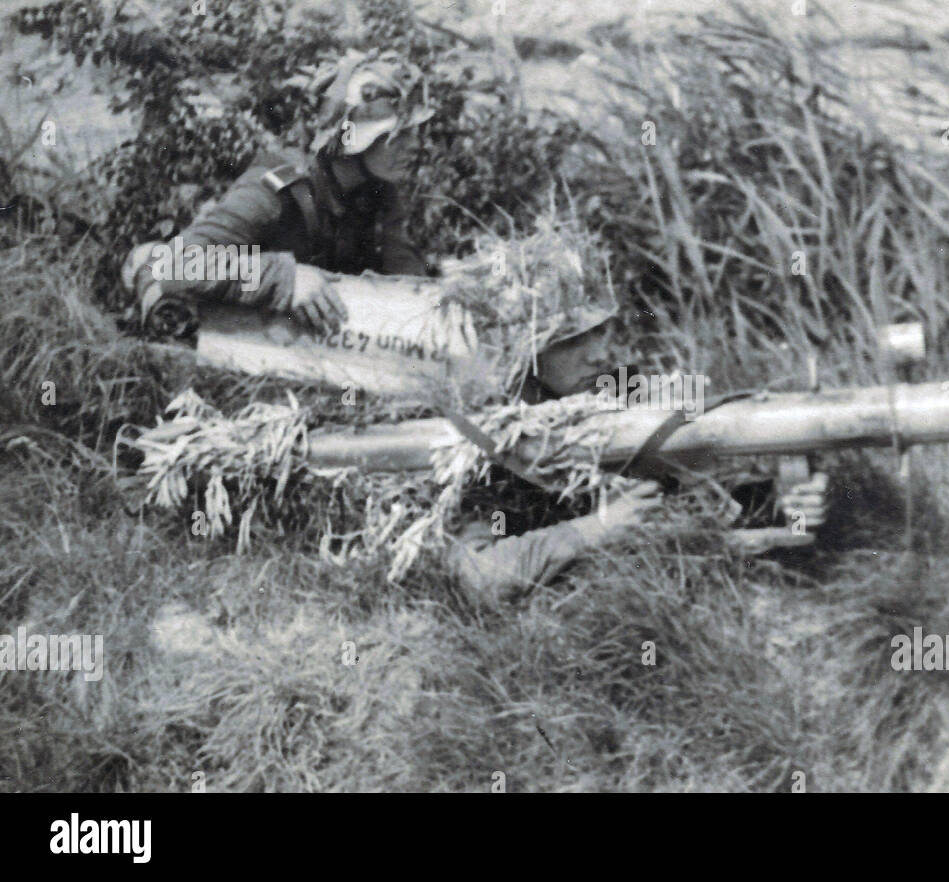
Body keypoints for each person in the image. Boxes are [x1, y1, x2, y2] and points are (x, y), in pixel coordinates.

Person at [431, 307, 832, 605]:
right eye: (570, 341)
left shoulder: (631, 397)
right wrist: (596, 530)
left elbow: (707, 500)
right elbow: (478, 577)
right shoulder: (489, 442)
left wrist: (786, 506)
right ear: (521, 356)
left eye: (600, 332)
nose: (598, 355)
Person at [122, 49, 436, 336]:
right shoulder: (275, 189)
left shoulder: (380, 193)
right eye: (401, 134)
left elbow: (409, 282)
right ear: (357, 136)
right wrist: (285, 279)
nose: (417, 145)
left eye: (417, 133)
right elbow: (174, 265)